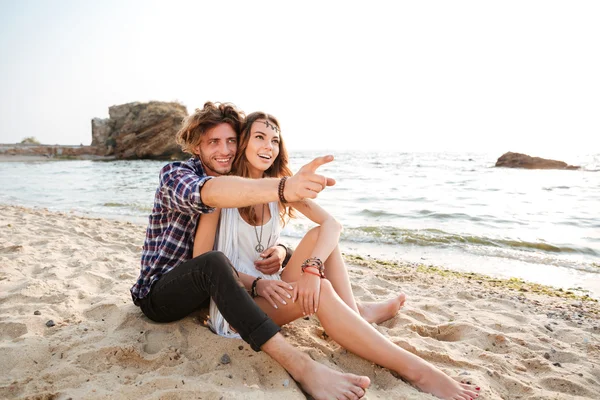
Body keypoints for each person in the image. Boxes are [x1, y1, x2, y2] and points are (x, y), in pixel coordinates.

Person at [192, 112, 482, 400]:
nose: (269, 146)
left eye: (275, 140)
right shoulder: (223, 191)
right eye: (259, 137)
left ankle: (354, 314)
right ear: (242, 143)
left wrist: (309, 268)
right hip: (236, 310)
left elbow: (332, 225)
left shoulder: (280, 186)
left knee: (320, 239)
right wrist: (258, 283)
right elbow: (203, 266)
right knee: (323, 291)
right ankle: (420, 372)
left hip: (273, 290)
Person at [130, 102, 370, 400]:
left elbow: (251, 224)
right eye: (213, 142)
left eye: (231, 141)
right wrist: (284, 187)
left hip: (207, 292)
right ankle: (300, 367)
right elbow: (209, 193)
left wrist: (282, 249)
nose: (225, 150)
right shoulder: (175, 174)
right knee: (212, 262)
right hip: (160, 293)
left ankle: (356, 313)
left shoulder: (236, 180)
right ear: (196, 146)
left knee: (287, 254)